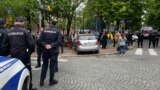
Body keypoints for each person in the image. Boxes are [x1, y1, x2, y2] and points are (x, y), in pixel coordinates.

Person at [2, 17, 36, 90]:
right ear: (22, 22)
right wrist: (29, 53)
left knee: (15, 72)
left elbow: (4, 46)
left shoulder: (9, 32)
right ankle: (29, 87)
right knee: (27, 71)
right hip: (24, 57)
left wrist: (9, 53)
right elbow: (32, 45)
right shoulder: (26, 32)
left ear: (14, 23)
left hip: (13, 56)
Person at [39, 20, 61, 86]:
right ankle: (51, 81)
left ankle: (41, 80)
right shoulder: (57, 31)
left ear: (50, 23)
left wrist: (45, 45)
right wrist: (52, 45)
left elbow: (40, 40)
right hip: (53, 50)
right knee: (52, 66)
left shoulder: (44, 30)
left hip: (45, 50)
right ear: (55, 24)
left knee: (44, 65)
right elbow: (59, 41)